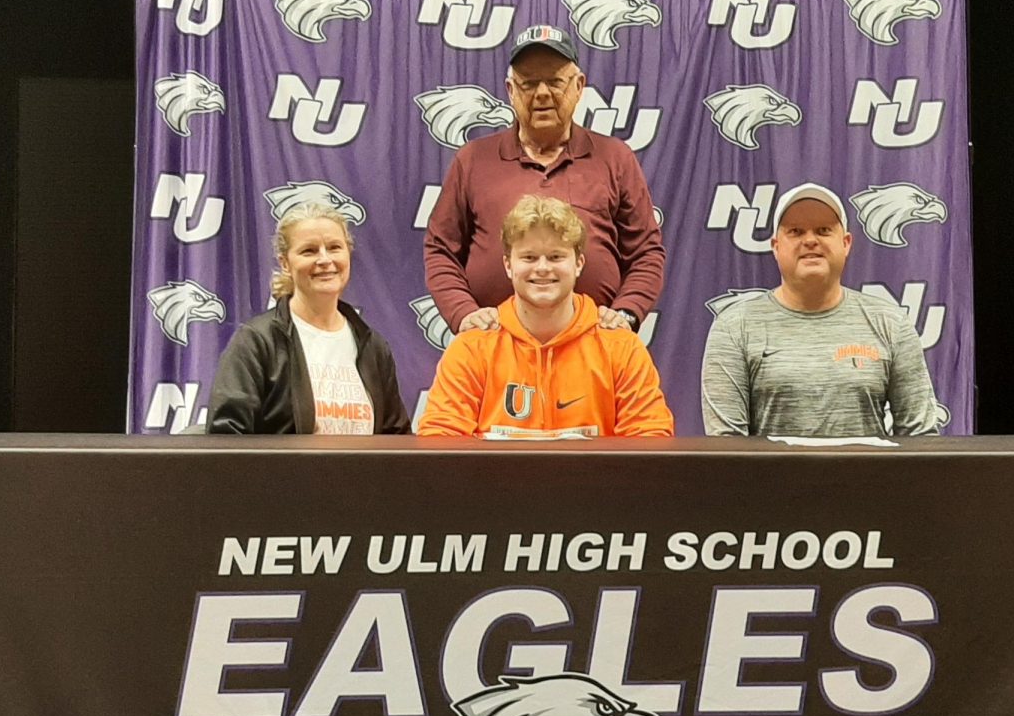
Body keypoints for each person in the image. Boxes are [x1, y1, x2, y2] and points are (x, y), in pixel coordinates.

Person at [424, 23, 665, 336]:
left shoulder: (615, 157)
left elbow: (646, 252)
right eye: (528, 83)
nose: (541, 94)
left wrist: (626, 312)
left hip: (594, 348)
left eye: (554, 82)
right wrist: (463, 313)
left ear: (579, 87)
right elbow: (440, 250)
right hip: (493, 348)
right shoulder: (472, 160)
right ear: (510, 91)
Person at [418, 195, 674, 438]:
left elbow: (650, 439)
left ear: (579, 264)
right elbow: (440, 441)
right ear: (508, 265)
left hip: (596, 485)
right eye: (529, 257)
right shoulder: (473, 348)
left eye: (556, 257)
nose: (542, 268)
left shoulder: (620, 348)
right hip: (494, 485)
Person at [701, 182, 939, 437]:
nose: (810, 240)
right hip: (771, 479)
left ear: (846, 243)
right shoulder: (734, 327)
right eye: (795, 231)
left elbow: (920, 438)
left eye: (824, 230)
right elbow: (726, 446)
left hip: (867, 479)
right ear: (775, 246)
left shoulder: (891, 323)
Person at [207, 202, 410, 434]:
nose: (325, 260)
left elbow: (397, 438)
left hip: (361, 472)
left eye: (334, 247)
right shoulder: (257, 342)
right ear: (285, 263)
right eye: (309, 251)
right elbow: (226, 440)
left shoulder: (373, 346)